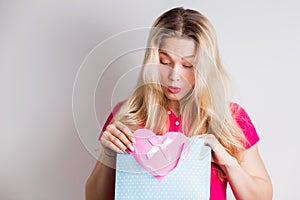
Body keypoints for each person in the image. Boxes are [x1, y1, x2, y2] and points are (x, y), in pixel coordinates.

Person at [85, 7, 273, 200]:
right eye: (165, 62)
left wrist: (229, 163)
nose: (174, 76)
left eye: (187, 66)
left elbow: (263, 197)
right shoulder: (127, 114)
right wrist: (108, 154)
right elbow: (93, 197)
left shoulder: (231, 118)